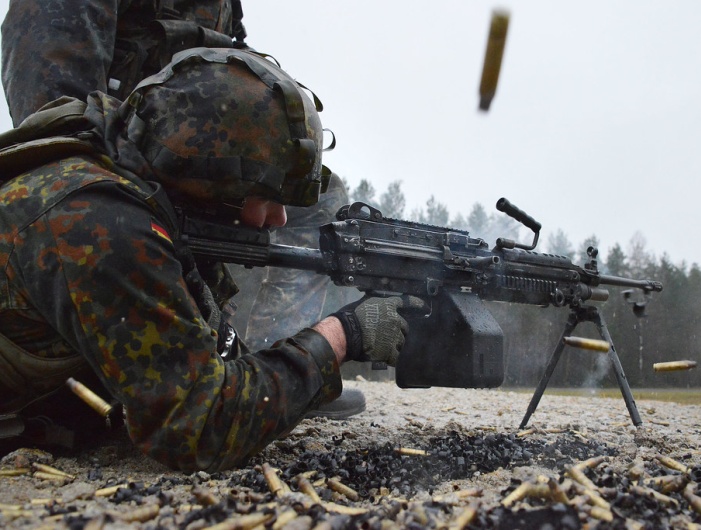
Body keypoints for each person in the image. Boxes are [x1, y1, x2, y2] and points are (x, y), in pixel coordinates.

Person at [0, 47, 423, 471]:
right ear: (208, 177)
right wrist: (341, 335)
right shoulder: (100, 220)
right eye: (267, 196)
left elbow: (218, 365)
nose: (277, 219)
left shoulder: (132, 172)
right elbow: (201, 429)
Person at [0, 0, 366, 419]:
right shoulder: (95, 209)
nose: (278, 220)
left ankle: (269, 370)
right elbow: (49, 83)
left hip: (185, 171)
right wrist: (111, 170)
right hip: (136, 162)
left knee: (313, 195)